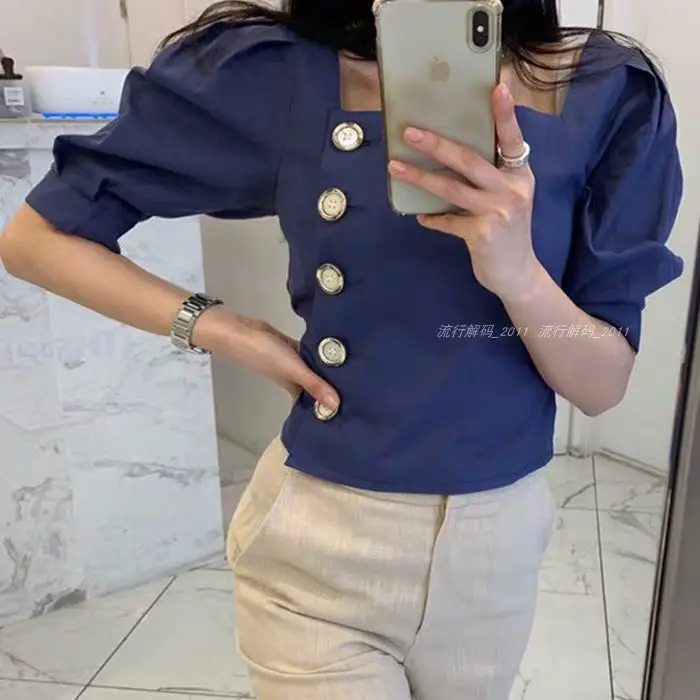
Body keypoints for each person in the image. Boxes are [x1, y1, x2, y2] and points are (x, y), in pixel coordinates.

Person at [0, 1, 683, 698]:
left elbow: (602, 385)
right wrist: (223, 327)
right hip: (319, 548)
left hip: (495, 559)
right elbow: (36, 239)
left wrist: (519, 276)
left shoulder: (608, 89)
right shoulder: (281, 69)